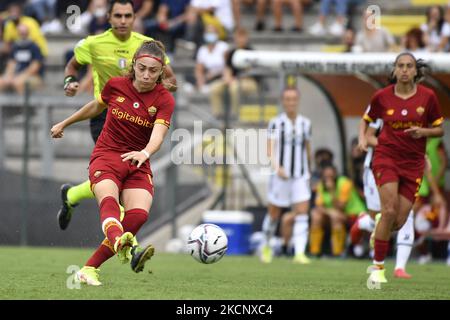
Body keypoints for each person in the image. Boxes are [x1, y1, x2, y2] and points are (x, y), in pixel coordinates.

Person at [51, 40, 174, 286]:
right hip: (107, 156)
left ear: (161, 72)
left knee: (138, 216)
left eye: (153, 70)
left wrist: (146, 153)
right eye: (142, 68)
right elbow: (96, 106)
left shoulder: (164, 99)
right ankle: (122, 244)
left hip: (138, 161)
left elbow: (159, 134)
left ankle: (88, 268)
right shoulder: (116, 85)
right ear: (134, 65)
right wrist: (65, 123)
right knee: (108, 201)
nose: (146, 75)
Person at [57, 0, 177, 231]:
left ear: (134, 18)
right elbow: (72, 67)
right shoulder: (93, 43)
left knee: (120, 178)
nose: (123, 21)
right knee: (117, 180)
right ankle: (126, 243)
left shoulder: (147, 46)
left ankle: (71, 195)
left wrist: (161, 89)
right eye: (118, 16)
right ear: (108, 18)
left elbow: (170, 77)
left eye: (128, 16)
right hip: (107, 115)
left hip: (140, 119)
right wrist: (70, 82)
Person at [360, 52, 444, 285]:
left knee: (398, 220)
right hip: (386, 158)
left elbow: (440, 130)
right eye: (401, 66)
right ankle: (377, 269)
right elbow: (366, 120)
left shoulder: (428, 97)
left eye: (409, 66)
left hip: (413, 163)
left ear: (416, 71)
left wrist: (423, 132)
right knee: (388, 210)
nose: (405, 70)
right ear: (395, 70)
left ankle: (376, 225)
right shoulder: (381, 97)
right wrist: (362, 138)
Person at [353, 116, 416, 279]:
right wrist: (394, 146)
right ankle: (364, 222)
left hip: (406, 169)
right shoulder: (381, 103)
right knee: (382, 219)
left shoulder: (419, 106)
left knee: (407, 214)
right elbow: (368, 135)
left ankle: (400, 267)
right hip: (377, 167)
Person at [260, 87, 312, 264]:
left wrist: (309, 171)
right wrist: (277, 167)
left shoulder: (305, 123)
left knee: (302, 213)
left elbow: (307, 148)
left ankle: (299, 253)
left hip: (300, 175)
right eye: (287, 99)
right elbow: (269, 149)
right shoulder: (276, 123)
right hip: (280, 175)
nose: (291, 102)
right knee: (274, 214)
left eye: (294, 99)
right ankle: (266, 246)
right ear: (283, 101)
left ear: (298, 101)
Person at [309, 162, 366, 257]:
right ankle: (314, 251)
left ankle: (337, 252)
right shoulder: (321, 185)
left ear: (335, 174)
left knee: (336, 218)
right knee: (316, 215)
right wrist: (330, 212)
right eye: (326, 176)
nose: (328, 179)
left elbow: (341, 207)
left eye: (330, 176)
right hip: (334, 215)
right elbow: (319, 206)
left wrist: (331, 191)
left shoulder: (344, 183)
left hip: (353, 215)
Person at [0, 23, 44, 94]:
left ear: (28, 33)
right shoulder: (15, 47)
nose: (22, 34)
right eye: (21, 32)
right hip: (16, 75)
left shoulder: (34, 47)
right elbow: (11, 64)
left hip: (32, 76)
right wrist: (8, 75)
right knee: (2, 81)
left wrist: (21, 76)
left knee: (18, 82)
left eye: (24, 32)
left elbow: (35, 67)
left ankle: (22, 105)